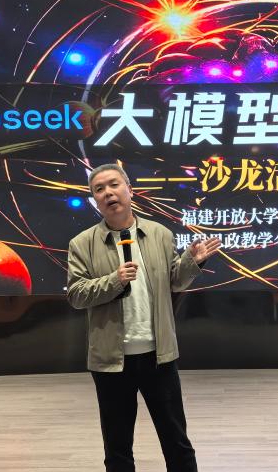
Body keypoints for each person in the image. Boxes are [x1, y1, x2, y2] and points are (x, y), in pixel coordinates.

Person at [67, 163, 221, 472]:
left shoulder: (159, 234)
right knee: (118, 448)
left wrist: (192, 262)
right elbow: (76, 294)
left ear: (130, 190)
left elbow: (175, 281)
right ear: (95, 201)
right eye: (99, 189)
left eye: (114, 185)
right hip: (111, 362)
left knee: (177, 442)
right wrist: (114, 280)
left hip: (158, 357)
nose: (108, 193)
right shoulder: (82, 244)